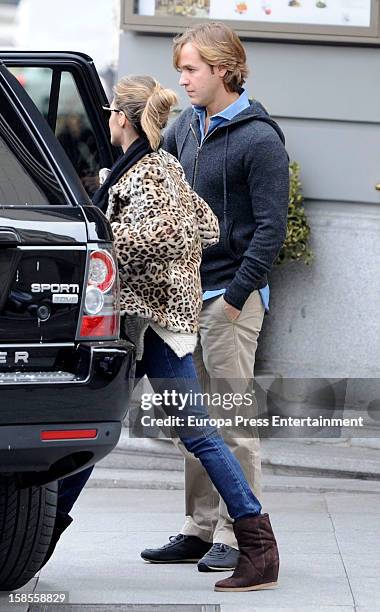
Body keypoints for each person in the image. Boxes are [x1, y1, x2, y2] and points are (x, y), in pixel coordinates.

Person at [41, 74, 280, 592]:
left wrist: (103, 246)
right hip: (151, 325)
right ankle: (38, 534)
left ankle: (258, 547)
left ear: (121, 118)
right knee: (100, 426)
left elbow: (169, 233)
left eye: (109, 112)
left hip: (148, 327)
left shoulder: (147, 171)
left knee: (189, 432)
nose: (106, 120)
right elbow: (207, 225)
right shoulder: (159, 164)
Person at [140, 23, 289, 579]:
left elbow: (272, 229)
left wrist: (234, 298)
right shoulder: (186, 127)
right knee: (191, 418)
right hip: (182, 298)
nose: (183, 79)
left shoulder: (260, 138)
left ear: (223, 69)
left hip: (230, 301)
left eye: (191, 69)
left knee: (232, 420)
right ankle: (199, 528)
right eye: (181, 68)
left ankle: (235, 531)